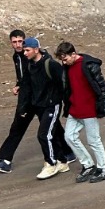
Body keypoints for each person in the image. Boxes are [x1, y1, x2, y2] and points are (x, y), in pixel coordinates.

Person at [0, 28, 65, 173]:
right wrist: (19, 85)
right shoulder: (17, 56)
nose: (18, 45)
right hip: (28, 98)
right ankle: (5, 160)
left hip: (40, 99)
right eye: (14, 42)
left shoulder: (34, 56)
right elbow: (24, 77)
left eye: (20, 42)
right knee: (18, 127)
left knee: (52, 128)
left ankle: (64, 155)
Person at [55, 41, 105, 182]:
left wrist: (102, 108)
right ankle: (88, 165)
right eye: (62, 60)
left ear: (73, 54)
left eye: (65, 59)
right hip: (75, 109)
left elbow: (102, 87)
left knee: (94, 141)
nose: (64, 62)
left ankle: (103, 169)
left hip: (89, 110)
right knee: (69, 137)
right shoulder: (67, 67)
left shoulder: (89, 65)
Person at [16, 37, 69, 180]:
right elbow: (26, 87)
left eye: (27, 50)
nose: (25, 53)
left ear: (36, 49)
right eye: (24, 50)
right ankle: (62, 161)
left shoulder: (51, 65)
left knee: (44, 135)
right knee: (53, 133)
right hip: (39, 106)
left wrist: (65, 103)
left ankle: (50, 164)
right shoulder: (29, 65)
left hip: (51, 105)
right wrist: (23, 107)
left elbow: (64, 84)